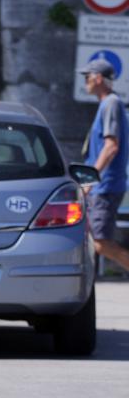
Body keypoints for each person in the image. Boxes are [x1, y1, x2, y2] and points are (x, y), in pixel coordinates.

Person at [80, 58, 129, 272]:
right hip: (103, 185)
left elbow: (111, 146)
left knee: (100, 242)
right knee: (93, 239)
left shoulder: (111, 103)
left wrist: (91, 177)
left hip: (105, 186)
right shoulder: (108, 104)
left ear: (98, 78)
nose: (86, 81)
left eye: (87, 77)